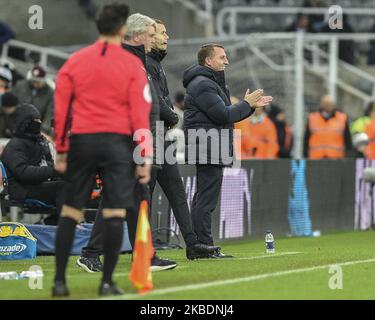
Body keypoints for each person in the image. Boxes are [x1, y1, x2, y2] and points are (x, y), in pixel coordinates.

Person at [52, 4, 152, 297]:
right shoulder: (131, 65)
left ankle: (59, 282)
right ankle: (107, 283)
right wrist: (143, 154)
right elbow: (140, 112)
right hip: (116, 142)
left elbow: (62, 107)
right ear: (122, 30)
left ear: (98, 27)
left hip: (82, 140)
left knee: (71, 210)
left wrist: (61, 148)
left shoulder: (75, 62)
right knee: (114, 212)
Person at [76, 13, 177, 273]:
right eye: (152, 34)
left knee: (136, 198)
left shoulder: (137, 61)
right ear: (138, 35)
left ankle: (142, 255)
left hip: (137, 140)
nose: (155, 39)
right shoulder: (124, 62)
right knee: (118, 196)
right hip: (125, 141)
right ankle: (91, 253)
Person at [183, 43, 272, 256]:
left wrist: (249, 106)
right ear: (208, 61)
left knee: (204, 197)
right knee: (206, 198)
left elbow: (227, 115)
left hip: (210, 144)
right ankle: (202, 245)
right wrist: (246, 103)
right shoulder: (203, 84)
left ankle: (200, 245)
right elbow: (222, 115)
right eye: (222, 57)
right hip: (207, 144)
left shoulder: (209, 83)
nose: (227, 61)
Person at [147, 20, 220, 260]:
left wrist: (167, 116)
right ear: (148, 36)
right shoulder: (145, 63)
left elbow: (163, 99)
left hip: (161, 135)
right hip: (147, 137)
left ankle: (192, 244)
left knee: (177, 192)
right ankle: (135, 250)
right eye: (162, 32)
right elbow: (156, 101)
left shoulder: (156, 63)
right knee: (141, 196)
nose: (167, 36)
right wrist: (169, 116)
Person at [1, 103, 64, 225]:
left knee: (71, 184)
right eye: (36, 120)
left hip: (35, 184)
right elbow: (23, 173)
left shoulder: (38, 142)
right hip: (21, 189)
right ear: (25, 122)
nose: (39, 122)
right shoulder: (15, 145)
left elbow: (47, 166)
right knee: (63, 187)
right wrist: (54, 170)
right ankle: (66, 225)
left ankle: (53, 222)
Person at [304, 95, 352, 159]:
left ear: (334, 105)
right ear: (321, 104)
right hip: (316, 158)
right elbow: (306, 138)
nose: (328, 106)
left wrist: (348, 155)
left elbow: (347, 139)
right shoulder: (313, 118)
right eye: (326, 103)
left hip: (336, 158)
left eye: (330, 104)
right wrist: (305, 154)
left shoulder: (342, 118)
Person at [11, 65, 54, 135]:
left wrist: (43, 131)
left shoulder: (50, 93)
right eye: (33, 81)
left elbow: (50, 114)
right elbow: (11, 104)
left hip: (36, 129)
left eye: (38, 82)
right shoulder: (20, 85)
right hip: (16, 124)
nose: (35, 84)